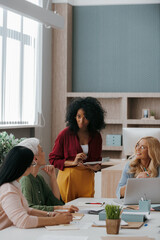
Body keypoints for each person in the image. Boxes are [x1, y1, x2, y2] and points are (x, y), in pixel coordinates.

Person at [0, 146, 72, 230]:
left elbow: (27, 210)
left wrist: (49, 214)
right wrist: (55, 220)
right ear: (23, 166)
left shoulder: (14, 185)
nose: (33, 165)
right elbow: (23, 221)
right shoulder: (8, 189)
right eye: (32, 163)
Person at [49, 97, 106, 203]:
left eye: (86, 117)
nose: (81, 120)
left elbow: (98, 162)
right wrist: (73, 162)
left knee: (86, 210)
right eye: (79, 116)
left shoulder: (96, 136)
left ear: (92, 118)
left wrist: (94, 166)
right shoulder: (65, 134)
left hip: (86, 180)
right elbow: (53, 159)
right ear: (74, 116)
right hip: (68, 179)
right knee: (68, 212)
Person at [18, 138, 78, 213]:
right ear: (35, 158)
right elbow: (29, 208)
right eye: (42, 151)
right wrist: (60, 208)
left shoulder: (39, 177)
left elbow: (55, 201)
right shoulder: (25, 179)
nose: (44, 153)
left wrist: (52, 177)